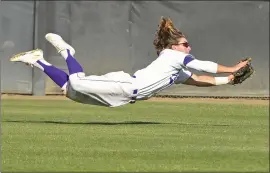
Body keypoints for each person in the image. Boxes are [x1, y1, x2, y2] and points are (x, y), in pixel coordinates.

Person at [10, 17, 249, 107]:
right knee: (79, 82)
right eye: (185, 44)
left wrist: (227, 80)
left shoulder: (176, 70)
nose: (189, 47)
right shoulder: (172, 56)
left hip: (124, 98)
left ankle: (38, 61)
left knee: (71, 91)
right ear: (174, 46)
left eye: (188, 45)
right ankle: (67, 53)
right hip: (125, 84)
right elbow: (203, 66)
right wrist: (233, 67)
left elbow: (199, 79)